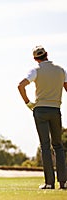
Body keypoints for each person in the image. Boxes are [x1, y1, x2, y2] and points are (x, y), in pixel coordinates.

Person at [18, 45, 67, 189]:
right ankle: (63, 182)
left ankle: (49, 183)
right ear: (47, 54)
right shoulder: (61, 70)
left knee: (45, 146)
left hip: (40, 110)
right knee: (58, 146)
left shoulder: (35, 71)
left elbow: (21, 86)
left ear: (35, 58)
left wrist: (28, 103)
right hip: (55, 110)